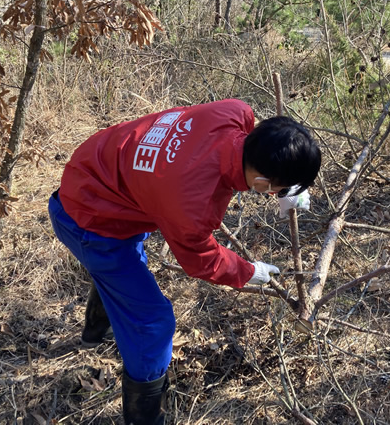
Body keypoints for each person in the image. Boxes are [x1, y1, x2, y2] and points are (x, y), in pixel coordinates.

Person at [48, 99, 321, 424]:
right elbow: (202, 261)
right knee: (153, 324)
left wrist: (285, 190)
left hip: (99, 169)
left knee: (124, 278)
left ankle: (94, 334)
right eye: (276, 189)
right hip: (89, 216)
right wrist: (248, 271)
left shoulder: (234, 112)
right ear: (262, 183)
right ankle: (144, 418)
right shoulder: (193, 204)